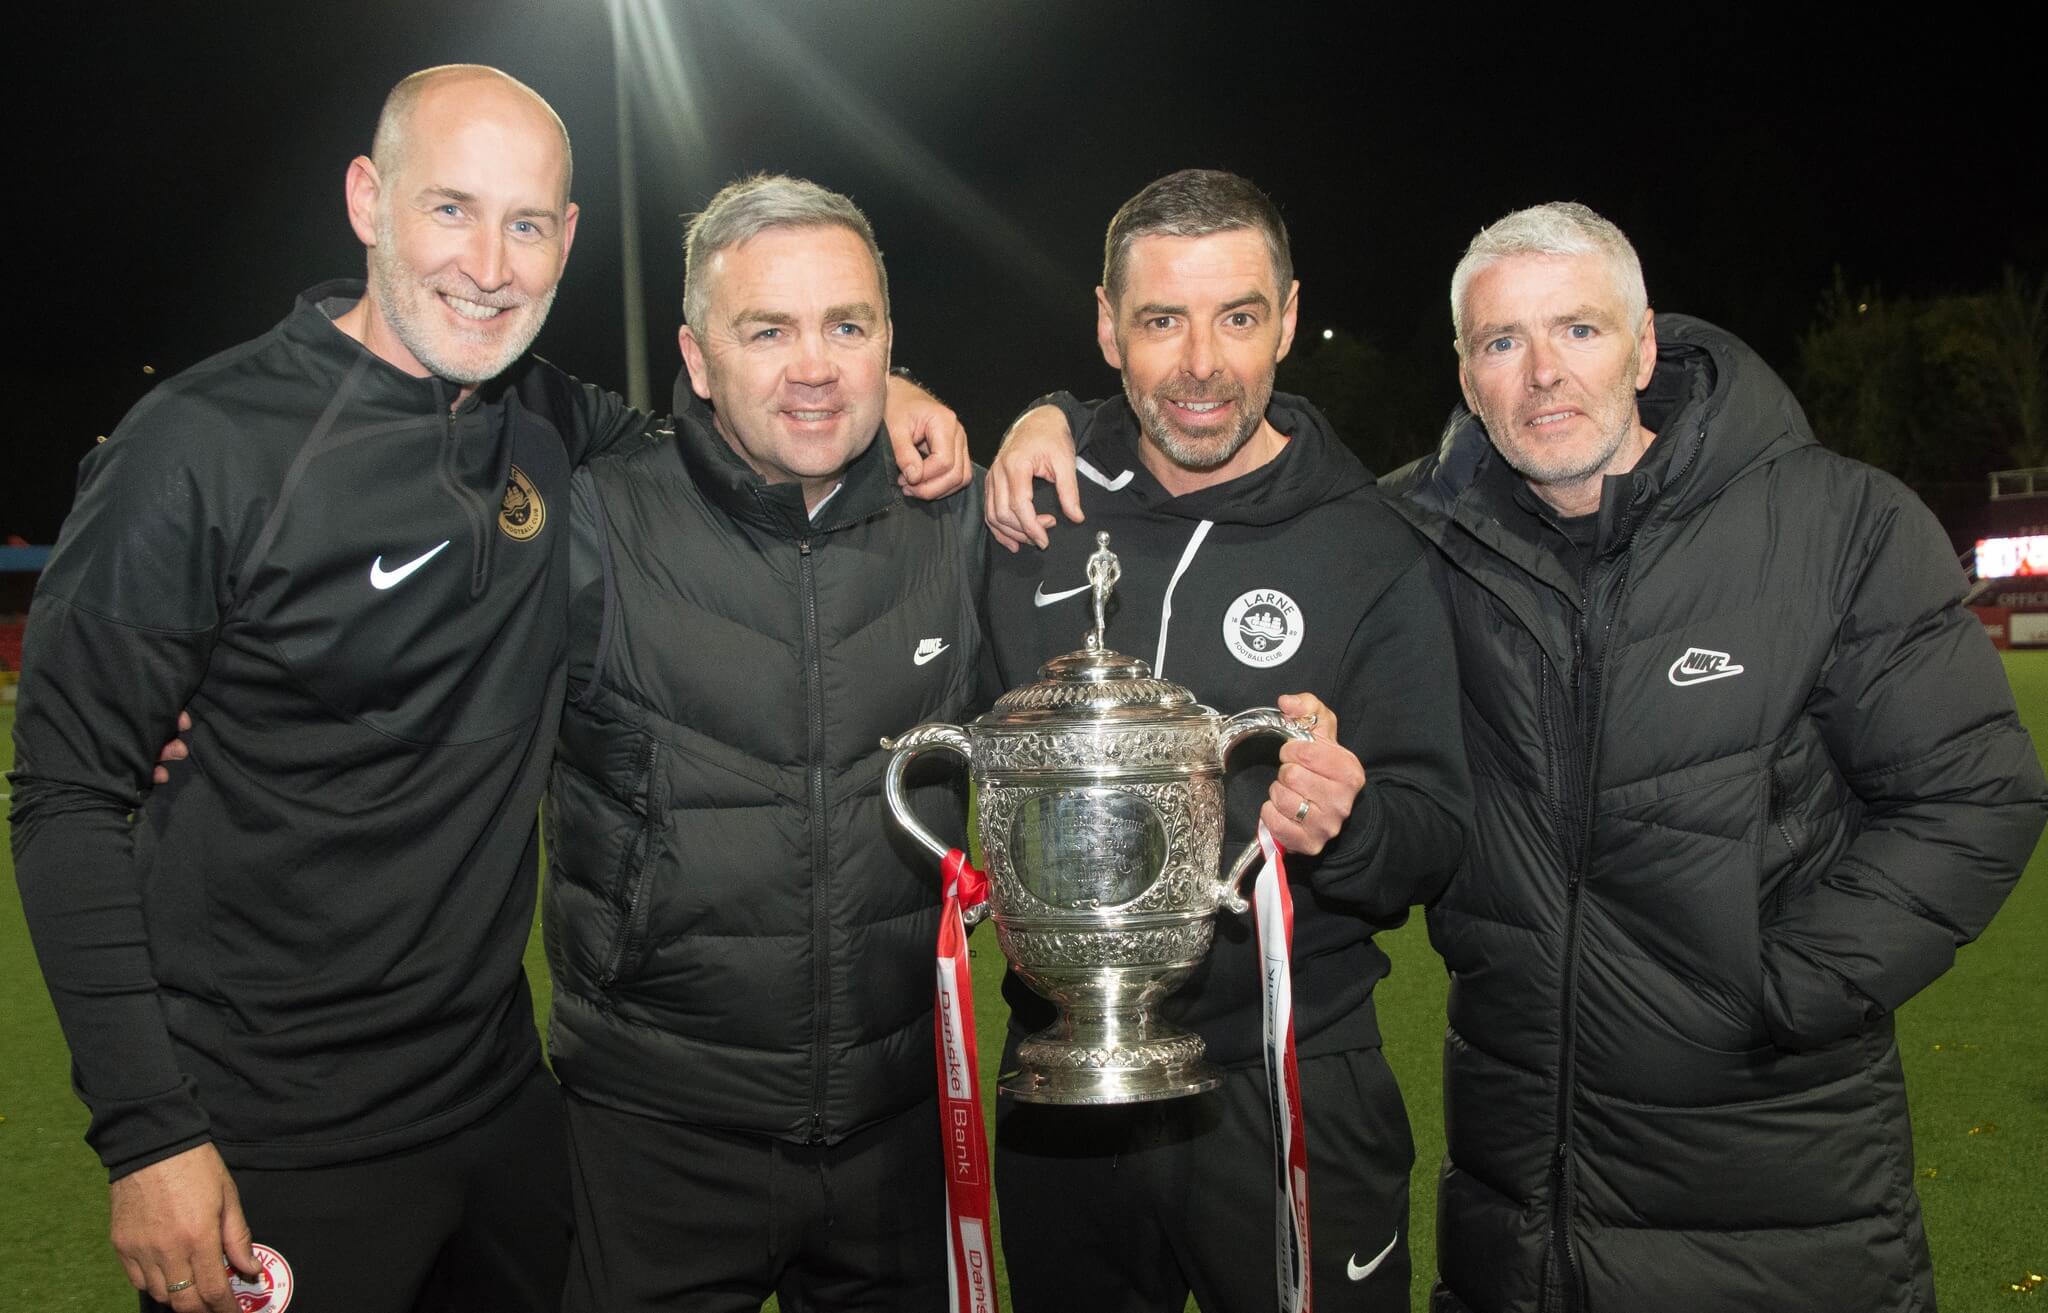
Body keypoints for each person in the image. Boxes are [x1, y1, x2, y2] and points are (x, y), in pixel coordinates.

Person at [10, 68, 966, 1313]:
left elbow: (734, 420)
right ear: (367, 200)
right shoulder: (199, 445)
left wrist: (883, 386)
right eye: (450, 209)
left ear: (566, 239)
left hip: (503, 1113)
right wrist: (147, 1136)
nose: (489, 263)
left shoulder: (545, 422)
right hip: (271, 1131)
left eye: (526, 225)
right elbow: (67, 799)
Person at [986, 200, 2048, 1312]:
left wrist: (1782, 989)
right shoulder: (1419, 536)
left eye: (1578, 331)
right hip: (1520, 1174)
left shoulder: (1836, 524)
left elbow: (1973, 795)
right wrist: (1048, 417)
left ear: (1643, 345)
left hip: (1770, 1158)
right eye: (1502, 343)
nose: (1542, 373)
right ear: (1464, 372)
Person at [980, 168, 1472, 1313]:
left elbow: (1435, 830)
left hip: (1290, 1076)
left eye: (1237, 316)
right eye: (1161, 319)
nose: (1201, 361)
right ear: (1106, 328)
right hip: (1061, 1083)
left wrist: (1342, 822)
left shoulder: (1371, 547)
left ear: (1289, 317)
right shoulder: (1032, 513)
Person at [540, 174, 987, 1313]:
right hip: (655, 1135)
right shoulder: (593, 521)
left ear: (888, 343)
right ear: (696, 358)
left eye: (847, 326)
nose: (815, 365)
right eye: (768, 329)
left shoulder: (959, 524)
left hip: (902, 1131)